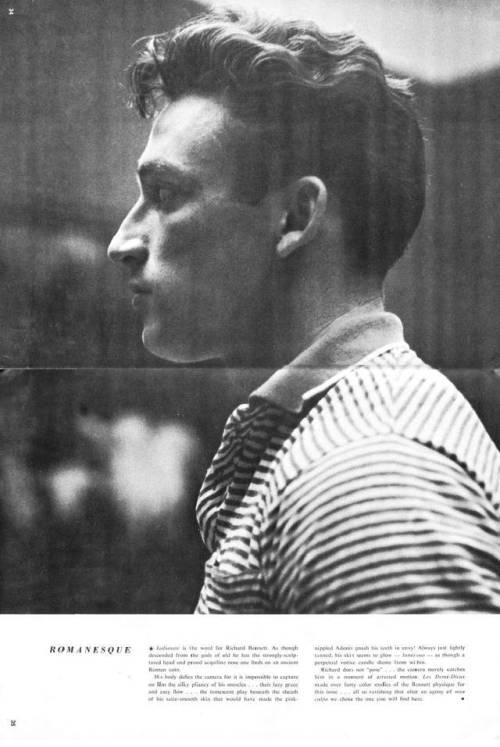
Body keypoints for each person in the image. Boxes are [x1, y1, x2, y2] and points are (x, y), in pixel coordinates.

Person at [108, 9, 500, 613]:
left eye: (164, 194)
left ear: (295, 218)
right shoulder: (339, 442)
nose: (121, 242)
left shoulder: (367, 479)